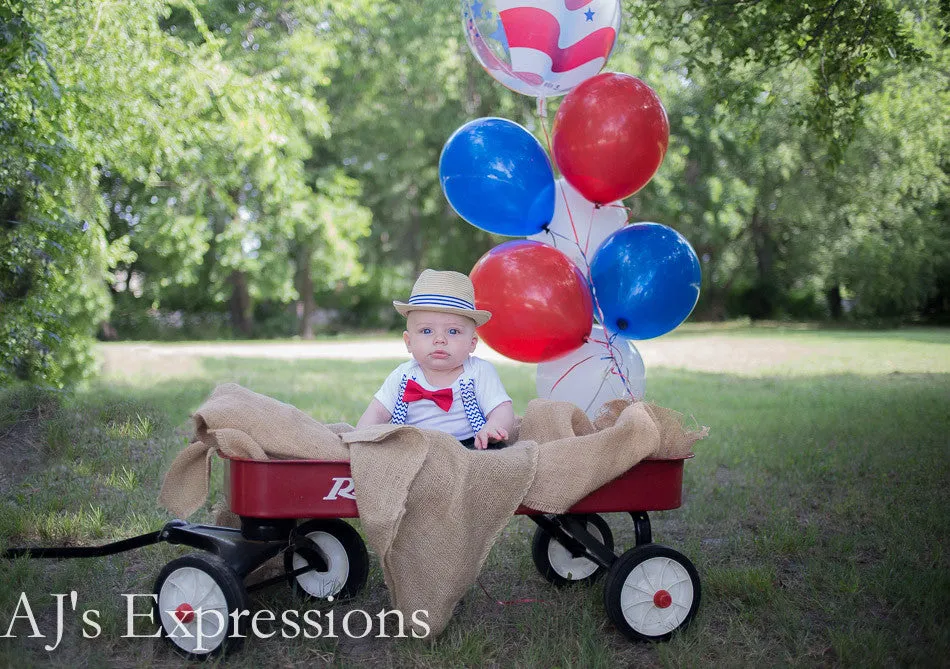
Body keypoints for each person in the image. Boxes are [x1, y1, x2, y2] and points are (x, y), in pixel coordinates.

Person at [357, 269, 515, 450]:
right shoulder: (403, 376)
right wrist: (361, 437)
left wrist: (493, 427)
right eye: (426, 331)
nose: (439, 340)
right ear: (409, 342)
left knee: (489, 463)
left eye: (453, 331)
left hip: (469, 447)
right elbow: (377, 411)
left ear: (472, 343)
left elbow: (502, 408)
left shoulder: (478, 371)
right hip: (414, 449)